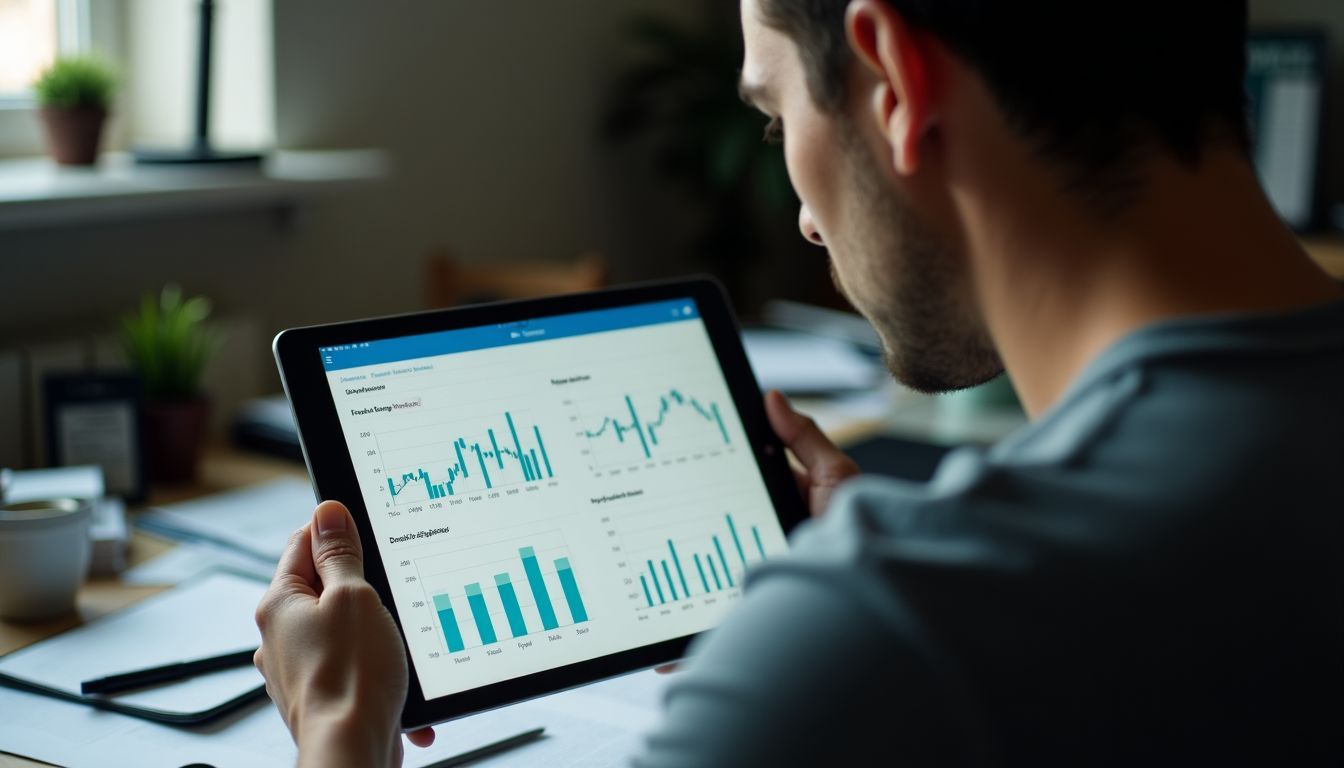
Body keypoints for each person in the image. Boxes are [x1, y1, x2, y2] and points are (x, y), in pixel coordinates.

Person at [253, 0, 1344, 764]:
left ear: (893, 80)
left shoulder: (884, 635)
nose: (807, 217)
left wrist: (344, 731)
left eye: (777, 119)